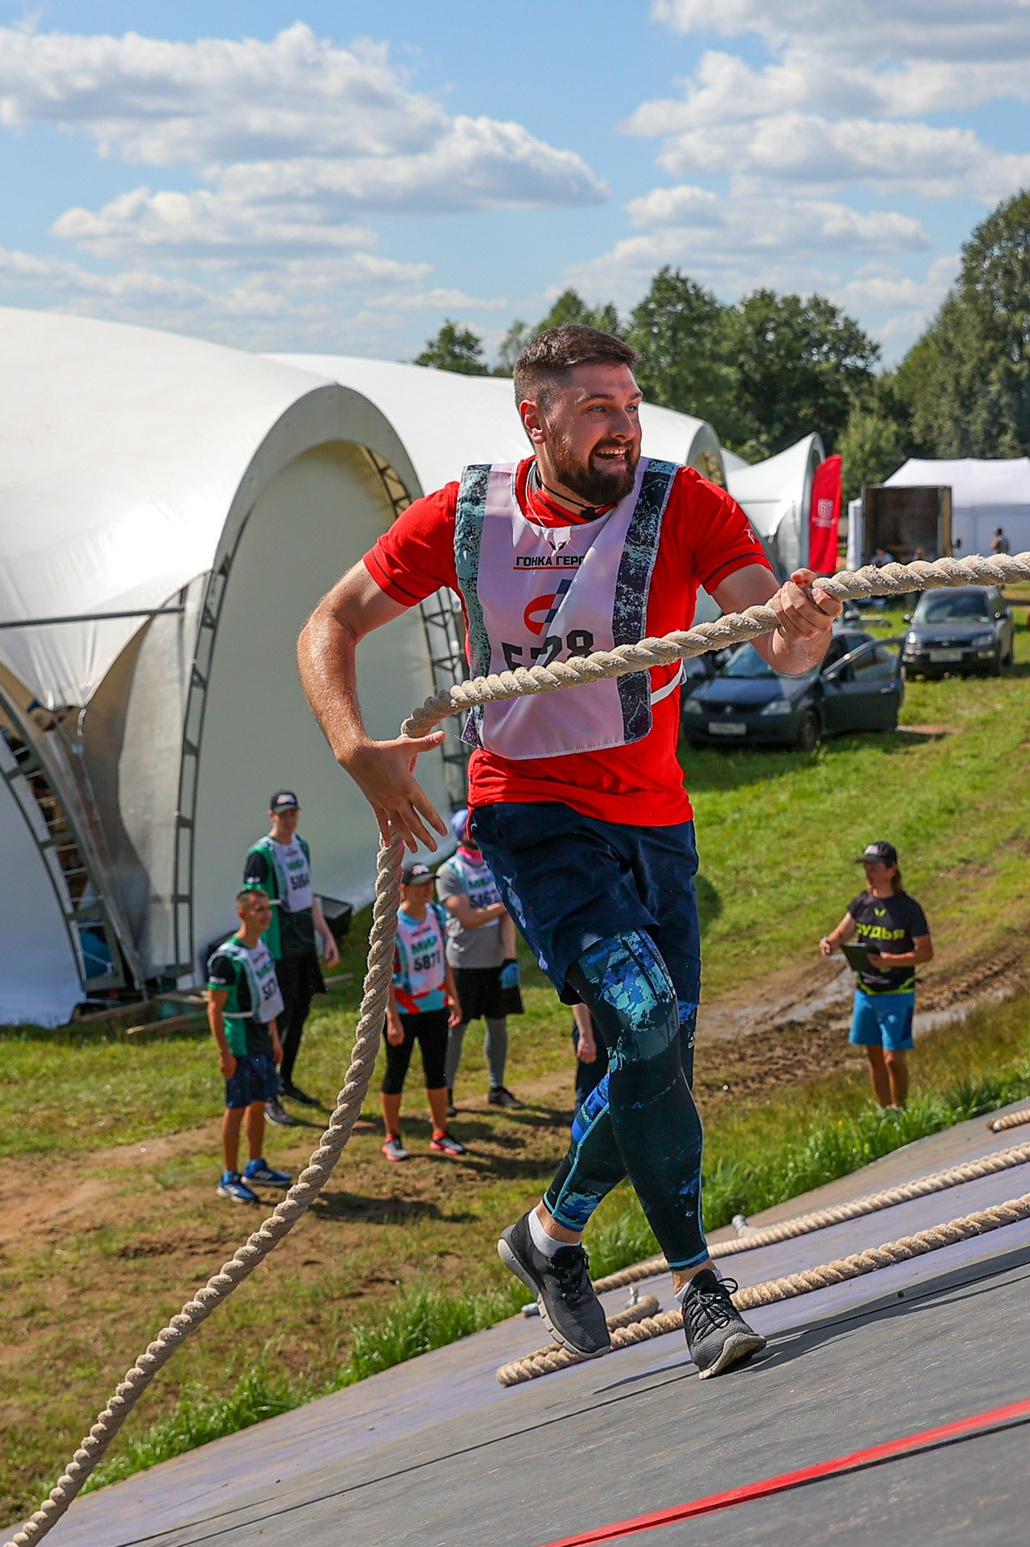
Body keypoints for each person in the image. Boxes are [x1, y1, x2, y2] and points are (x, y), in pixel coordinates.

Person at [299, 321, 842, 1378]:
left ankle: (548, 1238)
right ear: (533, 416)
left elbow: (775, 641)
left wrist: (805, 629)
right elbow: (329, 622)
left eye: (631, 406)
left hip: (655, 826)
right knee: (640, 1020)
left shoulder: (684, 501)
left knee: (657, 1060)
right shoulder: (466, 515)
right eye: (596, 407)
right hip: (530, 813)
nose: (622, 426)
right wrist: (356, 749)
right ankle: (701, 1291)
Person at [241, 789, 340, 1123]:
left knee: (300, 1012)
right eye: (282, 814)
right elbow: (251, 903)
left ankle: (285, 1080)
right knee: (277, 1017)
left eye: (293, 812)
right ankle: (267, 1093)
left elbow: (307, 894)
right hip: (278, 944)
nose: (289, 819)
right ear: (272, 816)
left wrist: (326, 936)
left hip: (303, 941)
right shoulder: (261, 854)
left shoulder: (301, 845)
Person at [818, 840, 934, 1111]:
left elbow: (926, 952)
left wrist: (890, 961)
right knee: (874, 1058)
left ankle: (902, 1110)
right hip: (866, 993)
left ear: (892, 870)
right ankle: (885, 1114)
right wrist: (828, 943)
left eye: (874, 867)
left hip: (898, 992)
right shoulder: (862, 902)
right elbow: (840, 934)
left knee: (893, 1058)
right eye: (866, 868)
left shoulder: (908, 908)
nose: (869, 873)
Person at [205, 886, 292, 1204]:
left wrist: (273, 1036)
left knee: (259, 1102)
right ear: (242, 913)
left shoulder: (261, 949)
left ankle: (255, 1164)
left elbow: (267, 997)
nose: (266, 915)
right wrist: (224, 1053)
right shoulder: (228, 959)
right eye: (258, 910)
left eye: (267, 909)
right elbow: (214, 1008)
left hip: (261, 1040)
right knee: (236, 1108)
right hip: (240, 1043)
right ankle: (229, 1175)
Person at [438, 809, 524, 1109]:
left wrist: (510, 958)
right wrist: (505, 904)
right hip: (463, 963)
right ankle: (445, 1092)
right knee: (456, 1028)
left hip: (495, 961)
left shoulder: (493, 864)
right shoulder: (450, 872)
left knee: (498, 1025)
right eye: (471, 829)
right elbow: (470, 917)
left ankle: (497, 1087)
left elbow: (508, 917)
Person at [379, 860, 464, 1161]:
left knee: (436, 1071)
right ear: (403, 890)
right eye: (420, 885)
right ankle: (392, 1137)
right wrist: (392, 1018)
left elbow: (442, 959)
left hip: (435, 1007)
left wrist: (452, 996)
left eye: (430, 883)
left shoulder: (437, 914)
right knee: (396, 1073)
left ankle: (440, 1133)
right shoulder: (393, 925)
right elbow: (384, 974)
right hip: (403, 1011)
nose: (427, 889)